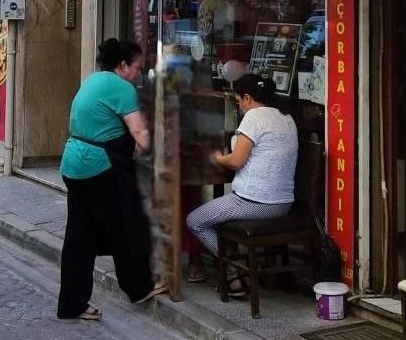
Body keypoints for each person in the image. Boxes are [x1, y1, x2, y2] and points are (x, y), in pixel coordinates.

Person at [56, 38, 167, 321]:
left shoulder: (93, 80)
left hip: (73, 164)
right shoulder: (122, 88)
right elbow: (141, 136)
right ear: (123, 65)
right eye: (138, 68)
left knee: (79, 237)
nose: (140, 74)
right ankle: (139, 287)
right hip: (99, 166)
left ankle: (73, 303)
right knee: (126, 225)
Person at [184, 73, 299, 294]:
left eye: (239, 101)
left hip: (253, 203)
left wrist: (217, 158)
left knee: (195, 220)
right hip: (284, 205)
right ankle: (234, 273)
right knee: (220, 219)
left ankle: (240, 269)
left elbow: (236, 160)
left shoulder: (254, 117)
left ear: (247, 97)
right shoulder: (287, 118)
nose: (240, 107)